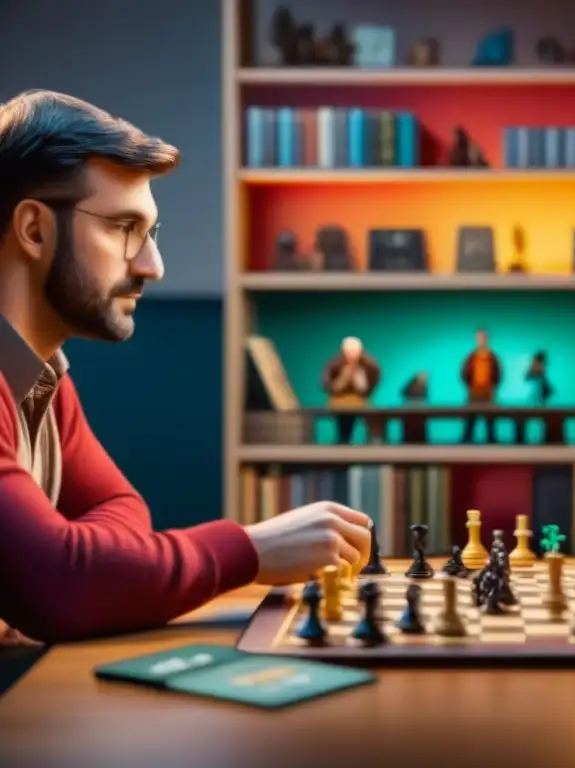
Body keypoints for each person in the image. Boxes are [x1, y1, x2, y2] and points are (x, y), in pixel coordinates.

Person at [0, 90, 371, 646]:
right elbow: (61, 586)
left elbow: (119, 509)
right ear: (34, 230)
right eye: (124, 228)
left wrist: (76, 564)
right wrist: (251, 549)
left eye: (150, 234)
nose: (153, 265)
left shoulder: (41, 375)